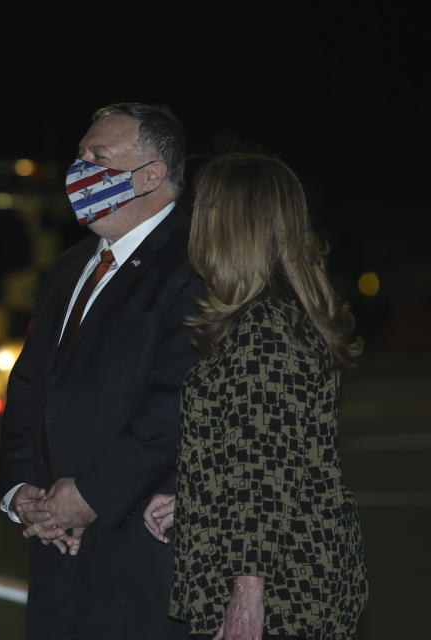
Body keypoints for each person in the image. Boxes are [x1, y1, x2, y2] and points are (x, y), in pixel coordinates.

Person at [0, 102, 206, 638]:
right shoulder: (71, 266)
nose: (81, 168)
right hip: (55, 547)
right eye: (80, 155)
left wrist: (89, 496)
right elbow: (28, 390)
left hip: (139, 553)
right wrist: (22, 491)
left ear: (152, 175)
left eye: (98, 156)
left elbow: (176, 400)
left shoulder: (195, 262)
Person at [143, 153, 368, 639]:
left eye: (204, 211)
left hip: (277, 594)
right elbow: (272, 456)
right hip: (291, 574)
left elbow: (266, 479)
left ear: (230, 226)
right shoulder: (274, 319)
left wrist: (247, 597)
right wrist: (198, 499)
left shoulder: (263, 328)